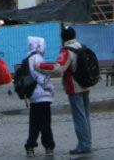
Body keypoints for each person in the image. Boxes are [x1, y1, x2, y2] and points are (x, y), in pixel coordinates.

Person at [38, 26, 92, 156]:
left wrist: (39, 66)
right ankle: (88, 142)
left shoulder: (67, 51)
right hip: (86, 84)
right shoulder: (81, 46)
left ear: (63, 38)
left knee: (79, 116)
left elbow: (58, 68)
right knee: (86, 115)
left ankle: (83, 145)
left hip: (74, 86)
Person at [21, 37, 56, 157]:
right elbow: (40, 76)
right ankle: (49, 146)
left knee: (35, 123)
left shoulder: (29, 57)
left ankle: (30, 146)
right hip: (42, 96)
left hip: (34, 97)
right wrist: (51, 88)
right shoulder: (37, 58)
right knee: (45, 123)